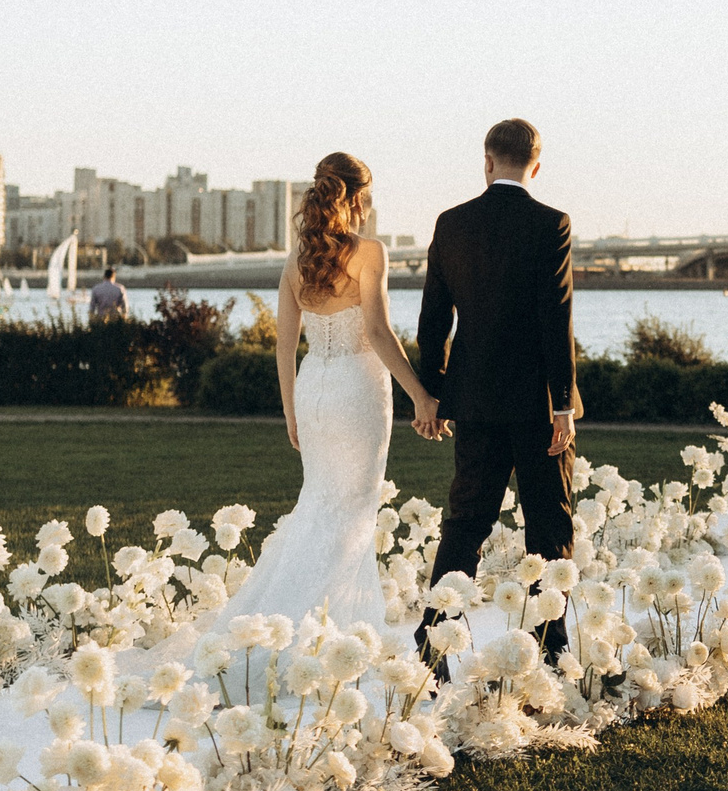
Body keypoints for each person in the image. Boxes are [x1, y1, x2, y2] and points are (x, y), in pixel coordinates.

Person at [180, 153, 438, 648]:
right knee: (352, 509)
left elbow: (283, 345)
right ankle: (332, 633)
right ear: (359, 197)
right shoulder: (370, 253)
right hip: (357, 394)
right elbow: (379, 333)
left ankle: (297, 625)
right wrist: (421, 396)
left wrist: (290, 412)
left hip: (312, 389)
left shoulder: (296, 263)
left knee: (319, 505)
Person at [414, 118, 579, 666]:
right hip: (536, 404)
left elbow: (433, 320)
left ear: (487, 161)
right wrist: (563, 403)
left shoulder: (451, 224)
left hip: (476, 400)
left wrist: (434, 392)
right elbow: (556, 319)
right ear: (535, 166)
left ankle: (434, 640)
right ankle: (548, 646)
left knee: (465, 521)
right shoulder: (551, 222)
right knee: (548, 521)